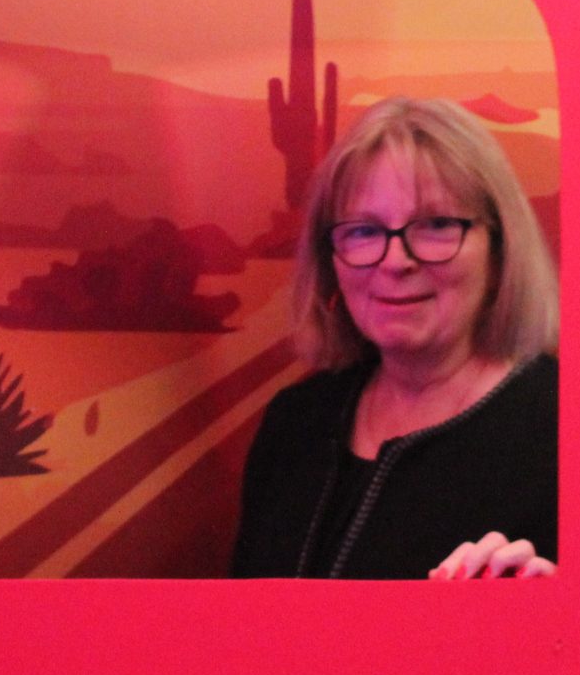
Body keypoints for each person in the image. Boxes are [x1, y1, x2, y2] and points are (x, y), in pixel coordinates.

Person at [231, 96, 560, 581]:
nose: (395, 261)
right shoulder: (294, 423)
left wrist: (551, 605)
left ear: (499, 251)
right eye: (365, 231)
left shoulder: (567, 430)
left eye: (436, 225)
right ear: (330, 261)